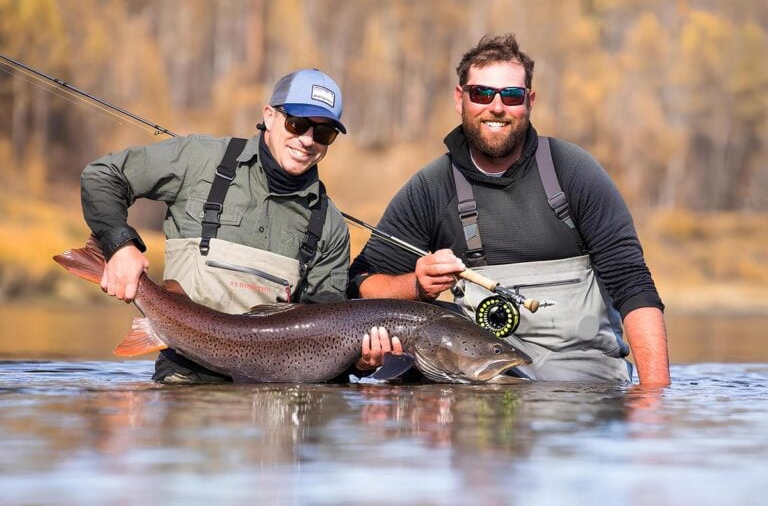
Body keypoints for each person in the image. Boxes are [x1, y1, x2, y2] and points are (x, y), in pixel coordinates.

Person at [348, 34, 671, 386]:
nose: (497, 107)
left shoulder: (573, 170)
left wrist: (654, 397)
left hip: (580, 384)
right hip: (478, 382)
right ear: (460, 99)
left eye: (511, 95)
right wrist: (417, 285)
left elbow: (633, 284)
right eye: (482, 94)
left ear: (529, 101)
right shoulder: (432, 187)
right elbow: (361, 284)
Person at [82, 68, 360, 384]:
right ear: (269, 116)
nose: (308, 140)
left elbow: (328, 332)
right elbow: (103, 175)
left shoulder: (330, 226)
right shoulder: (200, 160)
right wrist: (118, 245)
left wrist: (362, 361)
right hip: (183, 382)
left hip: (267, 400)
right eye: (297, 124)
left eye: (324, 134)